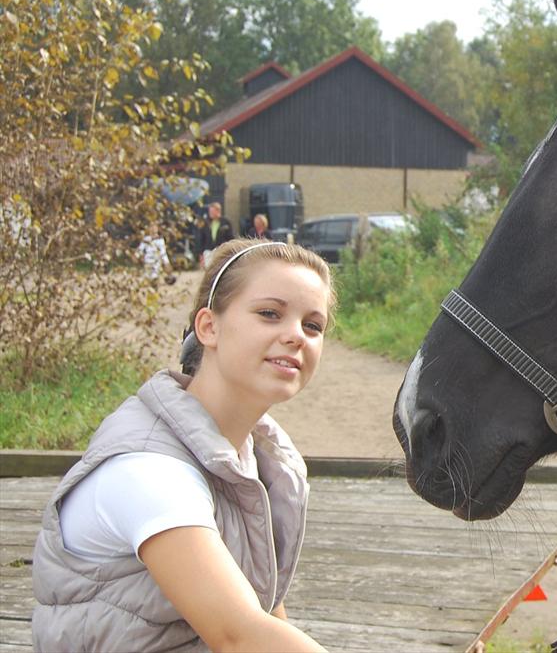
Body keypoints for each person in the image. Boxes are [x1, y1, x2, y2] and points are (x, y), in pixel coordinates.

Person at [32, 239, 335, 652]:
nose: (296, 336)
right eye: (270, 314)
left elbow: (265, 614)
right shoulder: (149, 469)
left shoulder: (267, 463)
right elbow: (239, 636)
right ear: (208, 327)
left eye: (313, 325)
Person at [195, 201, 234, 268]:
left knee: (220, 269)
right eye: (210, 211)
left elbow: (230, 237)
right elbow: (201, 238)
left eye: (212, 212)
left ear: (218, 211)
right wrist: (201, 254)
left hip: (221, 250)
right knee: (209, 270)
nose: (210, 213)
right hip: (208, 251)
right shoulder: (205, 223)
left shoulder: (226, 222)